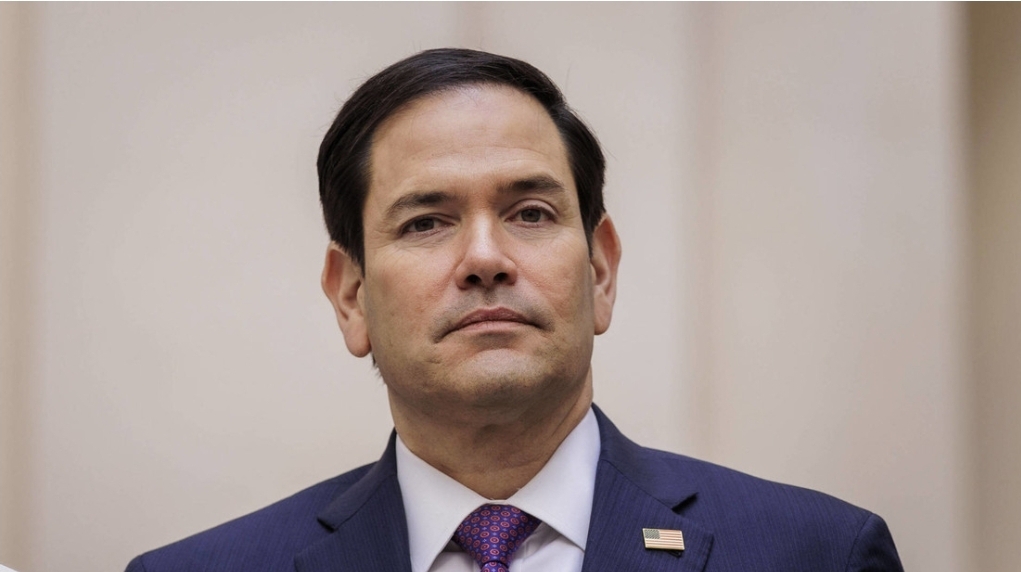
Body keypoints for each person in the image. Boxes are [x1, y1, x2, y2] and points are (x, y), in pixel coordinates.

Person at [126, 48, 903, 572]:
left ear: (600, 270)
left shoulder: (817, 555)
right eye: (425, 223)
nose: (485, 258)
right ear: (351, 295)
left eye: (530, 213)